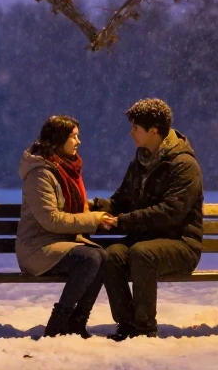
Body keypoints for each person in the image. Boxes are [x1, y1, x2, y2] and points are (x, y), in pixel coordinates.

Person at [93, 98, 204, 340]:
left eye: (136, 128)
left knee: (143, 253)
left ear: (154, 130)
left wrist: (123, 221)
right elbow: (121, 200)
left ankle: (144, 329)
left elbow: (170, 212)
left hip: (181, 244)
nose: (131, 133)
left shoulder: (183, 164)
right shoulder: (140, 161)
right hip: (141, 240)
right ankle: (127, 324)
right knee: (111, 255)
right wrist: (94, 206)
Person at [17, 114, 117, 338]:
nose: (78, 141)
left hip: (60, 243)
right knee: (90, 258)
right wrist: (94, 219)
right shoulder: (40, 174)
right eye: (73, 136)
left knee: (102, 256)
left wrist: (100, 213)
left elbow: (72, 207)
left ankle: (77, 323)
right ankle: (58, 324)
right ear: (58, 139)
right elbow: (51, 219)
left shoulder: (67, 169)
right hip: (37, 248)